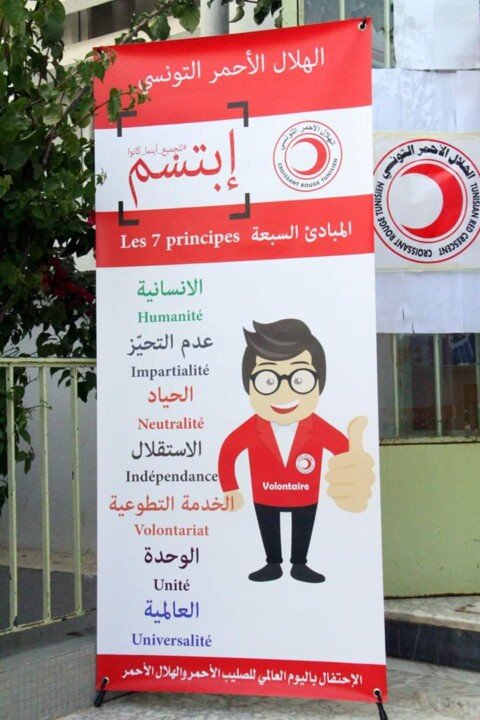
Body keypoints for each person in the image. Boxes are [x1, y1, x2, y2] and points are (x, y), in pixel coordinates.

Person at [218, 318, 374, 583]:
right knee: (268, 526)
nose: (284, 392)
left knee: (303, 526)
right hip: (265, 493)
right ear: (249, 386)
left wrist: (354, 470)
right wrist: (230, 487)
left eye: (299, 379)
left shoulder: (317, 427)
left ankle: (299, 564)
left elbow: (345, 453)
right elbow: (229, 450)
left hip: (304, 494)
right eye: (268, 380)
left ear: (318, 384)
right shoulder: (251, 428)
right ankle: (273, 563)